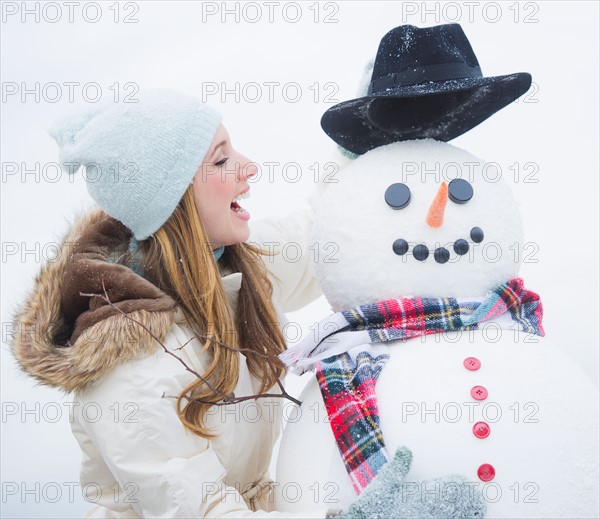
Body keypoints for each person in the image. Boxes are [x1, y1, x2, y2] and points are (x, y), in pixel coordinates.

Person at [9, 89, 484, 518]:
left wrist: (366, 136)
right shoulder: (132, 371)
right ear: (172, 203)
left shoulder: (233, 269)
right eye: (220, 161)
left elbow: (323, 231)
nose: (249, 167)